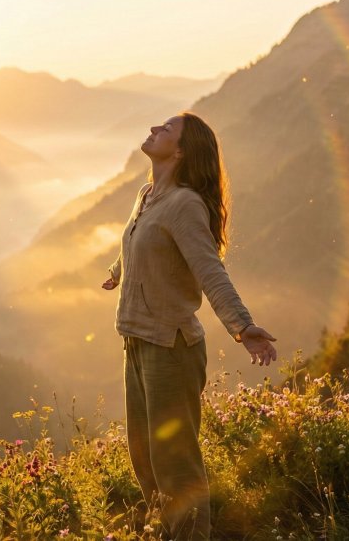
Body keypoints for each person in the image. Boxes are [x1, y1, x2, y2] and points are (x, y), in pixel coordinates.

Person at [101, 111, 277, 540]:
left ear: (180, 151)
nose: (154, 129)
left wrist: (242, 326)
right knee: (143, 459)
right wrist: (118, 272)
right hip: (137, 342)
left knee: (176, 465)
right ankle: (167, 534)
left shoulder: (185, 204)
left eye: (166, 130)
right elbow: (137, 240)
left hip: (170, 349)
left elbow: (208, 269)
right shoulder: (147, 194)